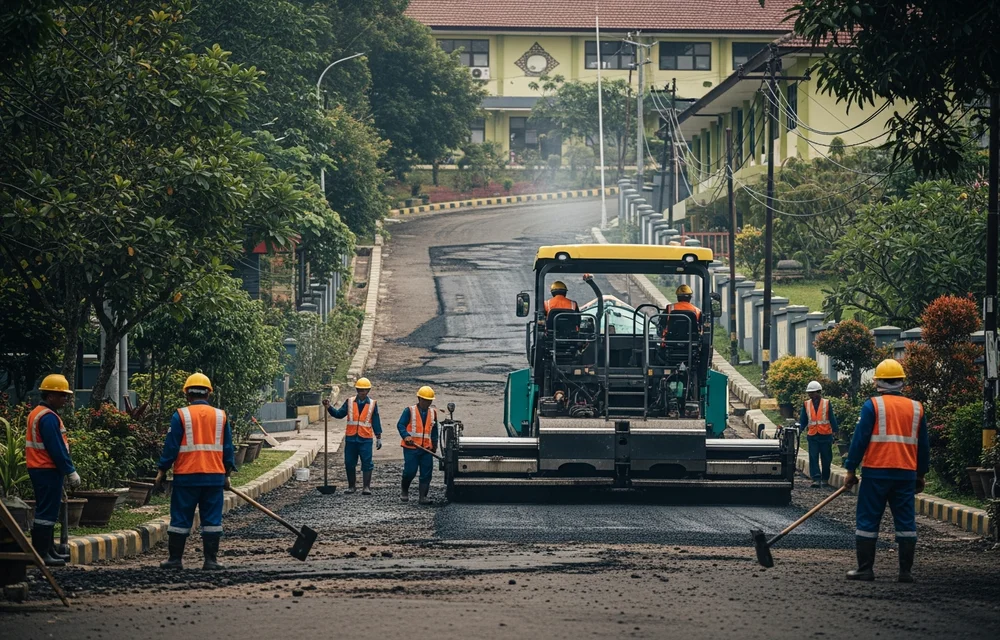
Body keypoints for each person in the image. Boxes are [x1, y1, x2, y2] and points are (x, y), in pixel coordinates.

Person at [843, 359, 929, 583]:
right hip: (905, 473)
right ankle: (905, 572)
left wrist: (851, 469)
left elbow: (859, 439)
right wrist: (920, 474)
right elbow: (924, 445)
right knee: (905, 521)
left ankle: (865, 569)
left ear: (878, 382)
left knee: (868, 519)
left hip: (876, 472)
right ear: (902, 382)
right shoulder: (917, 408)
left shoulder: (872, 405)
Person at [154, 373, 235, 571]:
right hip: (214, 477)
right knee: (212, 520)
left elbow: (171, 446)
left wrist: (162, 470)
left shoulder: (180, 415)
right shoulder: (220, 416)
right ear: (208, 394)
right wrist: (227, 475)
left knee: (181, 518)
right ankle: (211, 560)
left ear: (187, 395)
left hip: (187, 477)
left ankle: (175, 560)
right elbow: (228, 448)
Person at [26, 374, 80, 567]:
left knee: (47, 509)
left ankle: (48, 550)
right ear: (50, 396)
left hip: (41, 468)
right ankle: (42, 553)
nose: (66, 399)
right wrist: (70, 471)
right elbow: (56, 448)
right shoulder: (48, 417)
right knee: (47, 512)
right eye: (62, 395)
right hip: (46, 469)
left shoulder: (39, 413)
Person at [322, 377, 382, 495]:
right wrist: (329, 407)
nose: (362, 392)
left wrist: (378, 437)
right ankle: (351, 486)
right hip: (351, 439)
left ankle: (366, 487)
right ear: (356, 390)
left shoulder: (373, 404)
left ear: (368, 391)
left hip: (365, 439)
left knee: (367, 462)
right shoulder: (349, 402)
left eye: (364, 390)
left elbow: (376, 421)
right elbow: (339, 414)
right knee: (349, 462)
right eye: (359, 390)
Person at [397, 386, 439, 505]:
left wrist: (434, 445)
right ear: (419, 398)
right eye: (425, 400)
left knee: (426, 473)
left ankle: (422, 497)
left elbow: (434, 430)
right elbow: (400, 425)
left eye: (430, 400)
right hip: (411, 448)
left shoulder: (433, 413)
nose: (427, 403)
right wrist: (406, 436)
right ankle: (404, 491)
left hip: (426, 449)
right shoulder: (409, 411)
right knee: (410, 471)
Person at [799, 380, 839, 488]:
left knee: (826, 458)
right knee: (813, 457)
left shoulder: (826, 403)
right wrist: (799, 429)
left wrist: (835, 431)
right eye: (809, 393)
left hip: (825, 435)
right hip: (813, 435)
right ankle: (816, 479)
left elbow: (832, 417)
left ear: (818, 392)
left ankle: (825, 478)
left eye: (813, 393)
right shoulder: (806, 404)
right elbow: (803, 419)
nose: (811, 395)